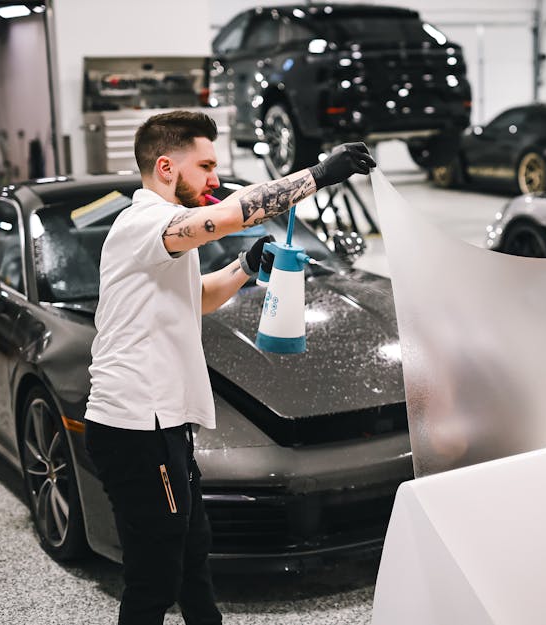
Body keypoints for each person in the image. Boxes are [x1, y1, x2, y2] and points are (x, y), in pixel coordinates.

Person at [83, 110, 375, 625]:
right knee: (156, 576)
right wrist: (318, 175)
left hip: (164, 424)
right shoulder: (144, 222)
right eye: (206, 166)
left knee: (193, 556)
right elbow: (230, 216)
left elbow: (194, 299)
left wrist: (245, 266)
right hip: (135, 426)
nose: (215, 179)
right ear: (166, 167)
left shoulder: (162, 234)